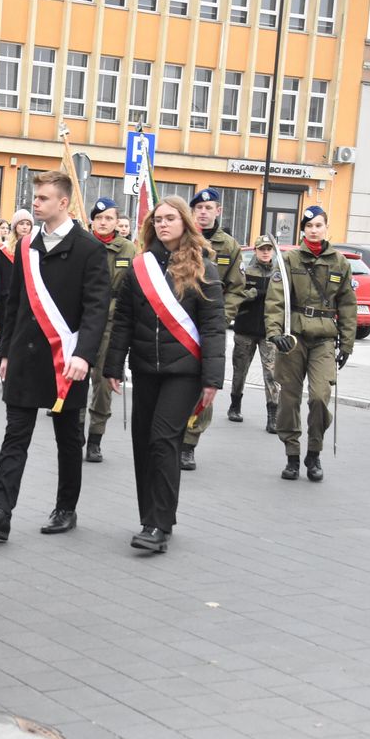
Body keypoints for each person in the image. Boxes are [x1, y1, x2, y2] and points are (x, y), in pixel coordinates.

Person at [0, 171, 110, 540]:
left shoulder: (88, 249)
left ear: (63, 203)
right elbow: (15, 303)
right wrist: (6, 351)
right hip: (26, 358)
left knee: (67, 439)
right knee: (15, 435)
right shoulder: (27, 246)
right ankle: (0, 512)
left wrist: (84, 355)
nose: (36, 203)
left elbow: (97, 309)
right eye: (35, 197)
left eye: (44, 198)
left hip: (66, 361)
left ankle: (66, 508)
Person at [103, 197, 224, 553]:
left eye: (171, 218)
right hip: (145, 369)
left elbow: (214, 327)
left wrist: (212, 379)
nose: (163, 224)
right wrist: (113, 364)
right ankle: (150, 518)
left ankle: (160, 524)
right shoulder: (141, 267)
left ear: (185, 222)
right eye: (158, 219)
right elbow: (123, 317)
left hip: (184, 370)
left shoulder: (203, 266)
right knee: (143, 442)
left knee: (162, 439)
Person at [265, 205, 356, 483]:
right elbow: (275, 300)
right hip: (293, 340)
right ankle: (292, 455)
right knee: (290, 399)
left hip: (325, 340)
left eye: (319, 225)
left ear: (327, 228)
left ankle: (313, 453)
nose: (314, 230)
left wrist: (347, 344)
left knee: (319, 397)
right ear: (303, 230)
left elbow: (348, 305)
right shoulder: (290, 260)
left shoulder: (340, 262)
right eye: (309, 226)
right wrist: (274, 333)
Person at [180, 188, 245, 470]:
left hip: (209, 327)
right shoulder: (180, 239)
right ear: (192, 212)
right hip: (180, 323)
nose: (204, 212)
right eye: (199, 208)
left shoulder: (228, 246)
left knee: (206, 383)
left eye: (209, 207)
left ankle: (189, 442)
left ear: (218, 211)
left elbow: (236, 288)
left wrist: (221, 316)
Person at [84, 196, 136, 463]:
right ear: (92, 220)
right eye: (99, 218)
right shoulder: (81, 244)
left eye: (109, 218)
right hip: (82, 320)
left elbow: (135, 289)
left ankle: (95, 437)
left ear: (118, 222)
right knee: (76, 380)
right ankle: (73, 432)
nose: (103, 222)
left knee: (103, 383)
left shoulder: (129, 250)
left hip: (112, 323)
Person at [229, 237, 281, 432]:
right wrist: (254, 293)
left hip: (269, 332)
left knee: (272, 374)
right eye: (262, 249)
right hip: (245, 330)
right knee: (240, 370)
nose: (265, 252)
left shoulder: (279, 273)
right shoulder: (245, 272)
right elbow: (235, 295)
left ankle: (272, 416)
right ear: (256, 251)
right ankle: (235, 405)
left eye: (269, 249)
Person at [0, 208, 33, 342]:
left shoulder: (35, 249)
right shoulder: (3, 250)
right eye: (21, 223)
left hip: (28, 302)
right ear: (15, 227)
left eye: (28, 224)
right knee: (7, 342)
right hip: (6, 304)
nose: (25, 227)